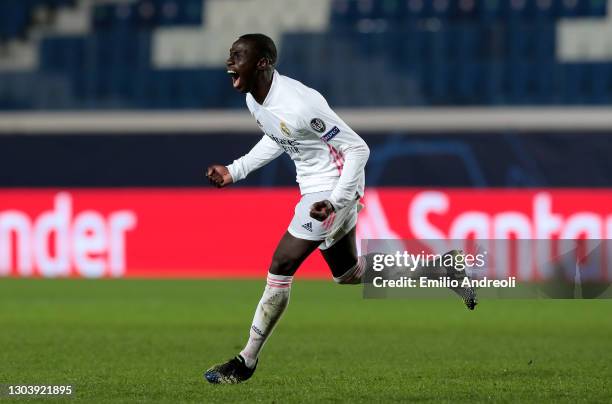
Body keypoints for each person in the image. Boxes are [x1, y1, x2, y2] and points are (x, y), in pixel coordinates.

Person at [204, 33, 476, 385]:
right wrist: (235, 170)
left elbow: (358, 149)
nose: (229, 61)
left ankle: (246, 360)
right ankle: (442, 270)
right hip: (318, 194)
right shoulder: (255, 101)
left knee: (281, 264)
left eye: (238, 55)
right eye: (230, 54)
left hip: (332, 189)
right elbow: (277, 136)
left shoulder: (300, 103)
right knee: (348, 273)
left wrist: (335, 201)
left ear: (262, 62)